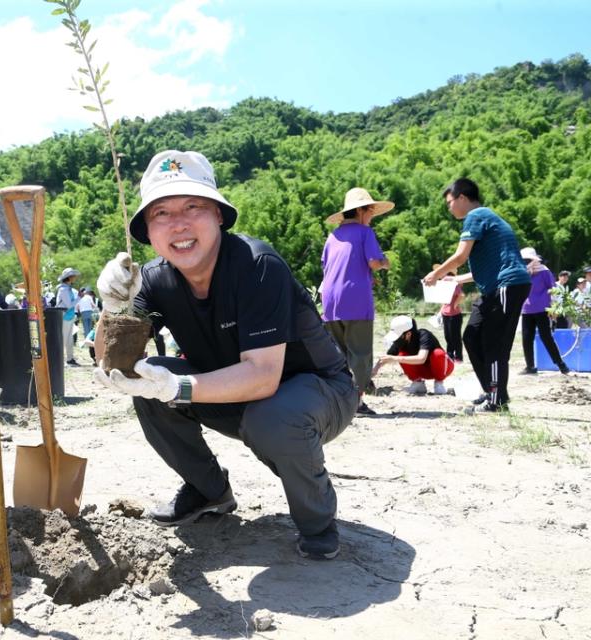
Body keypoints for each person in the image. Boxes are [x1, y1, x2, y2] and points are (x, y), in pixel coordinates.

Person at [94, 150, 357, 560]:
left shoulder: (257, 266)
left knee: (273, 416)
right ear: (147, 229)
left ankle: (317, 519)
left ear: (219, 214)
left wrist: (178, 387)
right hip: (234, 393)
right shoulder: (154, 279)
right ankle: (208, 491)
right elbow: (114, 365)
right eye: (161, 212)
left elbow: (264, 377)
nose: (178, 223)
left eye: (193, 206)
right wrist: (111, 309)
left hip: (317, 391)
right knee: (148, 381)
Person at [423, 178, 531, 413]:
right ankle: (492, 392)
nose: (449, 208)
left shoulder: (476, 216)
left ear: (462, 197)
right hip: (498, 286)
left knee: (494, 344)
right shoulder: (484, 218)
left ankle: (496, 401)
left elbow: (460, 257)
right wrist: (456, 279)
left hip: (508, 286)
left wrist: (435, 274)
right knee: (471, 336)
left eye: (449, 202)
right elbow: (487, 266)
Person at [320, 188, 392, 416]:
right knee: (360, 353)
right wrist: (385, 263)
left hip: (330, 302)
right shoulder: (364, 232)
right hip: (356, 300)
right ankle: (357, 402)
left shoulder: (332, 236)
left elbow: (327, 266)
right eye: (371, 211)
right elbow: (373, 262)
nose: (372, 217)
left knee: (338, 354)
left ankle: (338, 399)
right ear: (361, 211)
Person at [373, 315, 454, 395]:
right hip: (424, 371)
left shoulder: (424, 335)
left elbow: (421, 358)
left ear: (408, 334)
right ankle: (418, 384)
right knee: (401, 354)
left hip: (444, 368)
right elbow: (386, 358)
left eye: (398, 335)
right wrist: (375, 369)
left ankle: (439, 384)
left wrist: (395, 358)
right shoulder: (400, 342)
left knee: (438, 353)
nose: (396, 339)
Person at [519, 248, 569, 375]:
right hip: (526, 309)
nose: (525, 261)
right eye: (524, 259)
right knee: (526, 338)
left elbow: (553, 289)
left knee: (546, 337)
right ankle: (530, 366)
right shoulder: (522, 272)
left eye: (528, 259)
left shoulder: (544, 271)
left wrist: (554, 308)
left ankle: (561, 365)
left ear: (534, 259)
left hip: (542, 309)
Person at [434, 264, 465, 362]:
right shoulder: (443, 283)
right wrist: (440, 312)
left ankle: (459, 357)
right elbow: (443, 300)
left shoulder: (453, 283)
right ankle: (450, 355)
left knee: (455, 337)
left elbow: (461, 295)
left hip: (454, 315)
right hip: (445, 314)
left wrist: (455, 305)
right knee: (447, 336)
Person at [55, 267, 80, 365]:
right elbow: (69, 305)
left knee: (69, 339)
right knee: (64, 339)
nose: (75, 277)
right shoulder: (63, 290)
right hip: (64, 316)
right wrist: (79, 298)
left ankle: (70, 359)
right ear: (69, 277)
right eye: (73, 276)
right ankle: (60, 360)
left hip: (68, 316)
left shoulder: (67, 289)